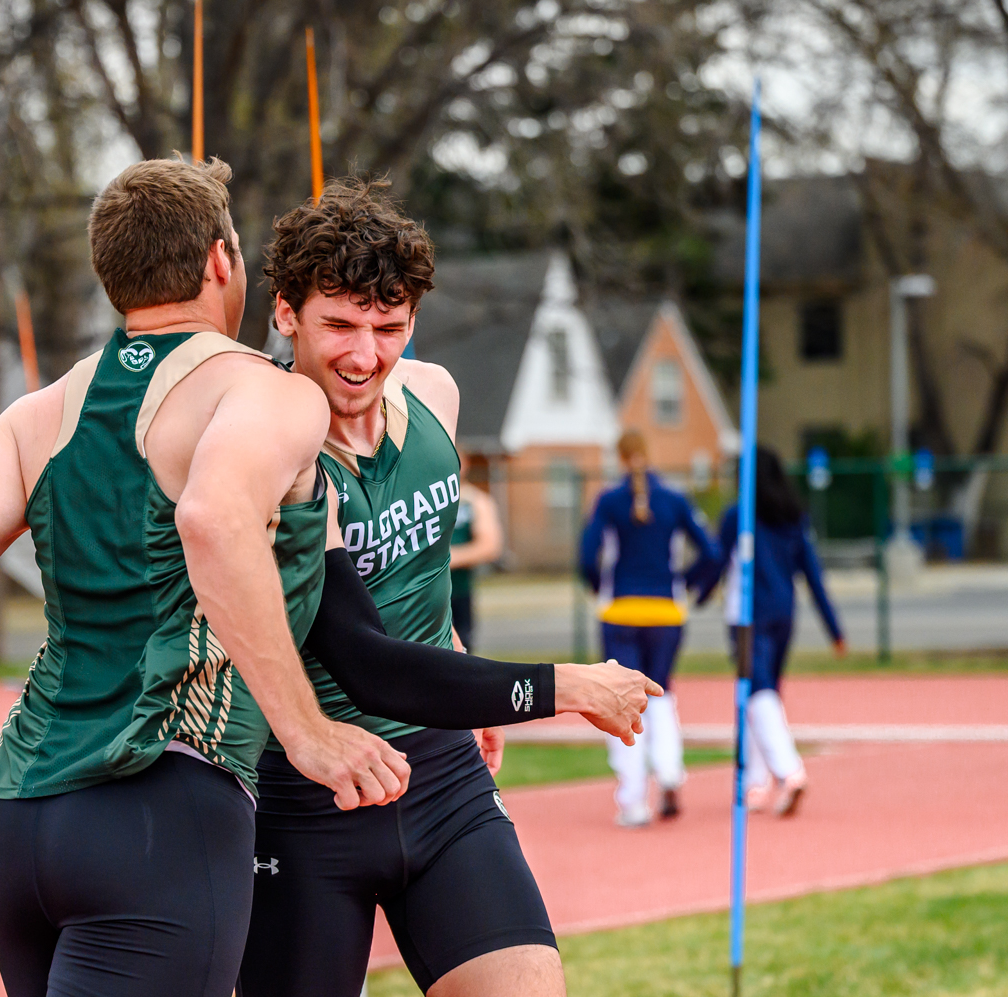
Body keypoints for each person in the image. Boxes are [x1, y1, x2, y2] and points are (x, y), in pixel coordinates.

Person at [0, 157, 416, 997]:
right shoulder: (267, 394)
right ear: (220, 260)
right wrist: (305, 731)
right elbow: (211, 521)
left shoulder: (38, 414)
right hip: (161, 805)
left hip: (22, 821)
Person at [241, 178, 659, 997]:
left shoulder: (433, 393)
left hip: (440, 775)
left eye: (388, 326)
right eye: (339, 325)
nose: (365, 355)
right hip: (306, 795)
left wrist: (462, 677)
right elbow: (365, 660)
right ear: (286, 313)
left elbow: (418, 573)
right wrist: (568, 685)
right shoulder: (268, 447)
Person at [580, 430, 718, 827]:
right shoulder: (675, 499)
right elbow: (712, 553)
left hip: (620, 611)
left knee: (621, 701)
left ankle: (633, 801)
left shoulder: (609, 501)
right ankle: (670, 772)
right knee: (661, 694)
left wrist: (599, 587)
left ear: (620, 458)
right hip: (665, 612)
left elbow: (587, 556)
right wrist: (688, 585)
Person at [699, 446, 846, 817]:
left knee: (757, 691)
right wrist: (834, 629)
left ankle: (788, 771)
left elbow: (715, 561)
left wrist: (695, 593)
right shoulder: (791, 516)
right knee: (760, 694)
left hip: (747, 617)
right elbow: (812, 574)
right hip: (783, 614)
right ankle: (754, 782)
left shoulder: (739, 516)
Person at [449, 469, 504, 653]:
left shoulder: (474, 501)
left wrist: (445, 559)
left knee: (461, 652)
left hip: (458, 592)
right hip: (420, 594)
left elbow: (490, 547)